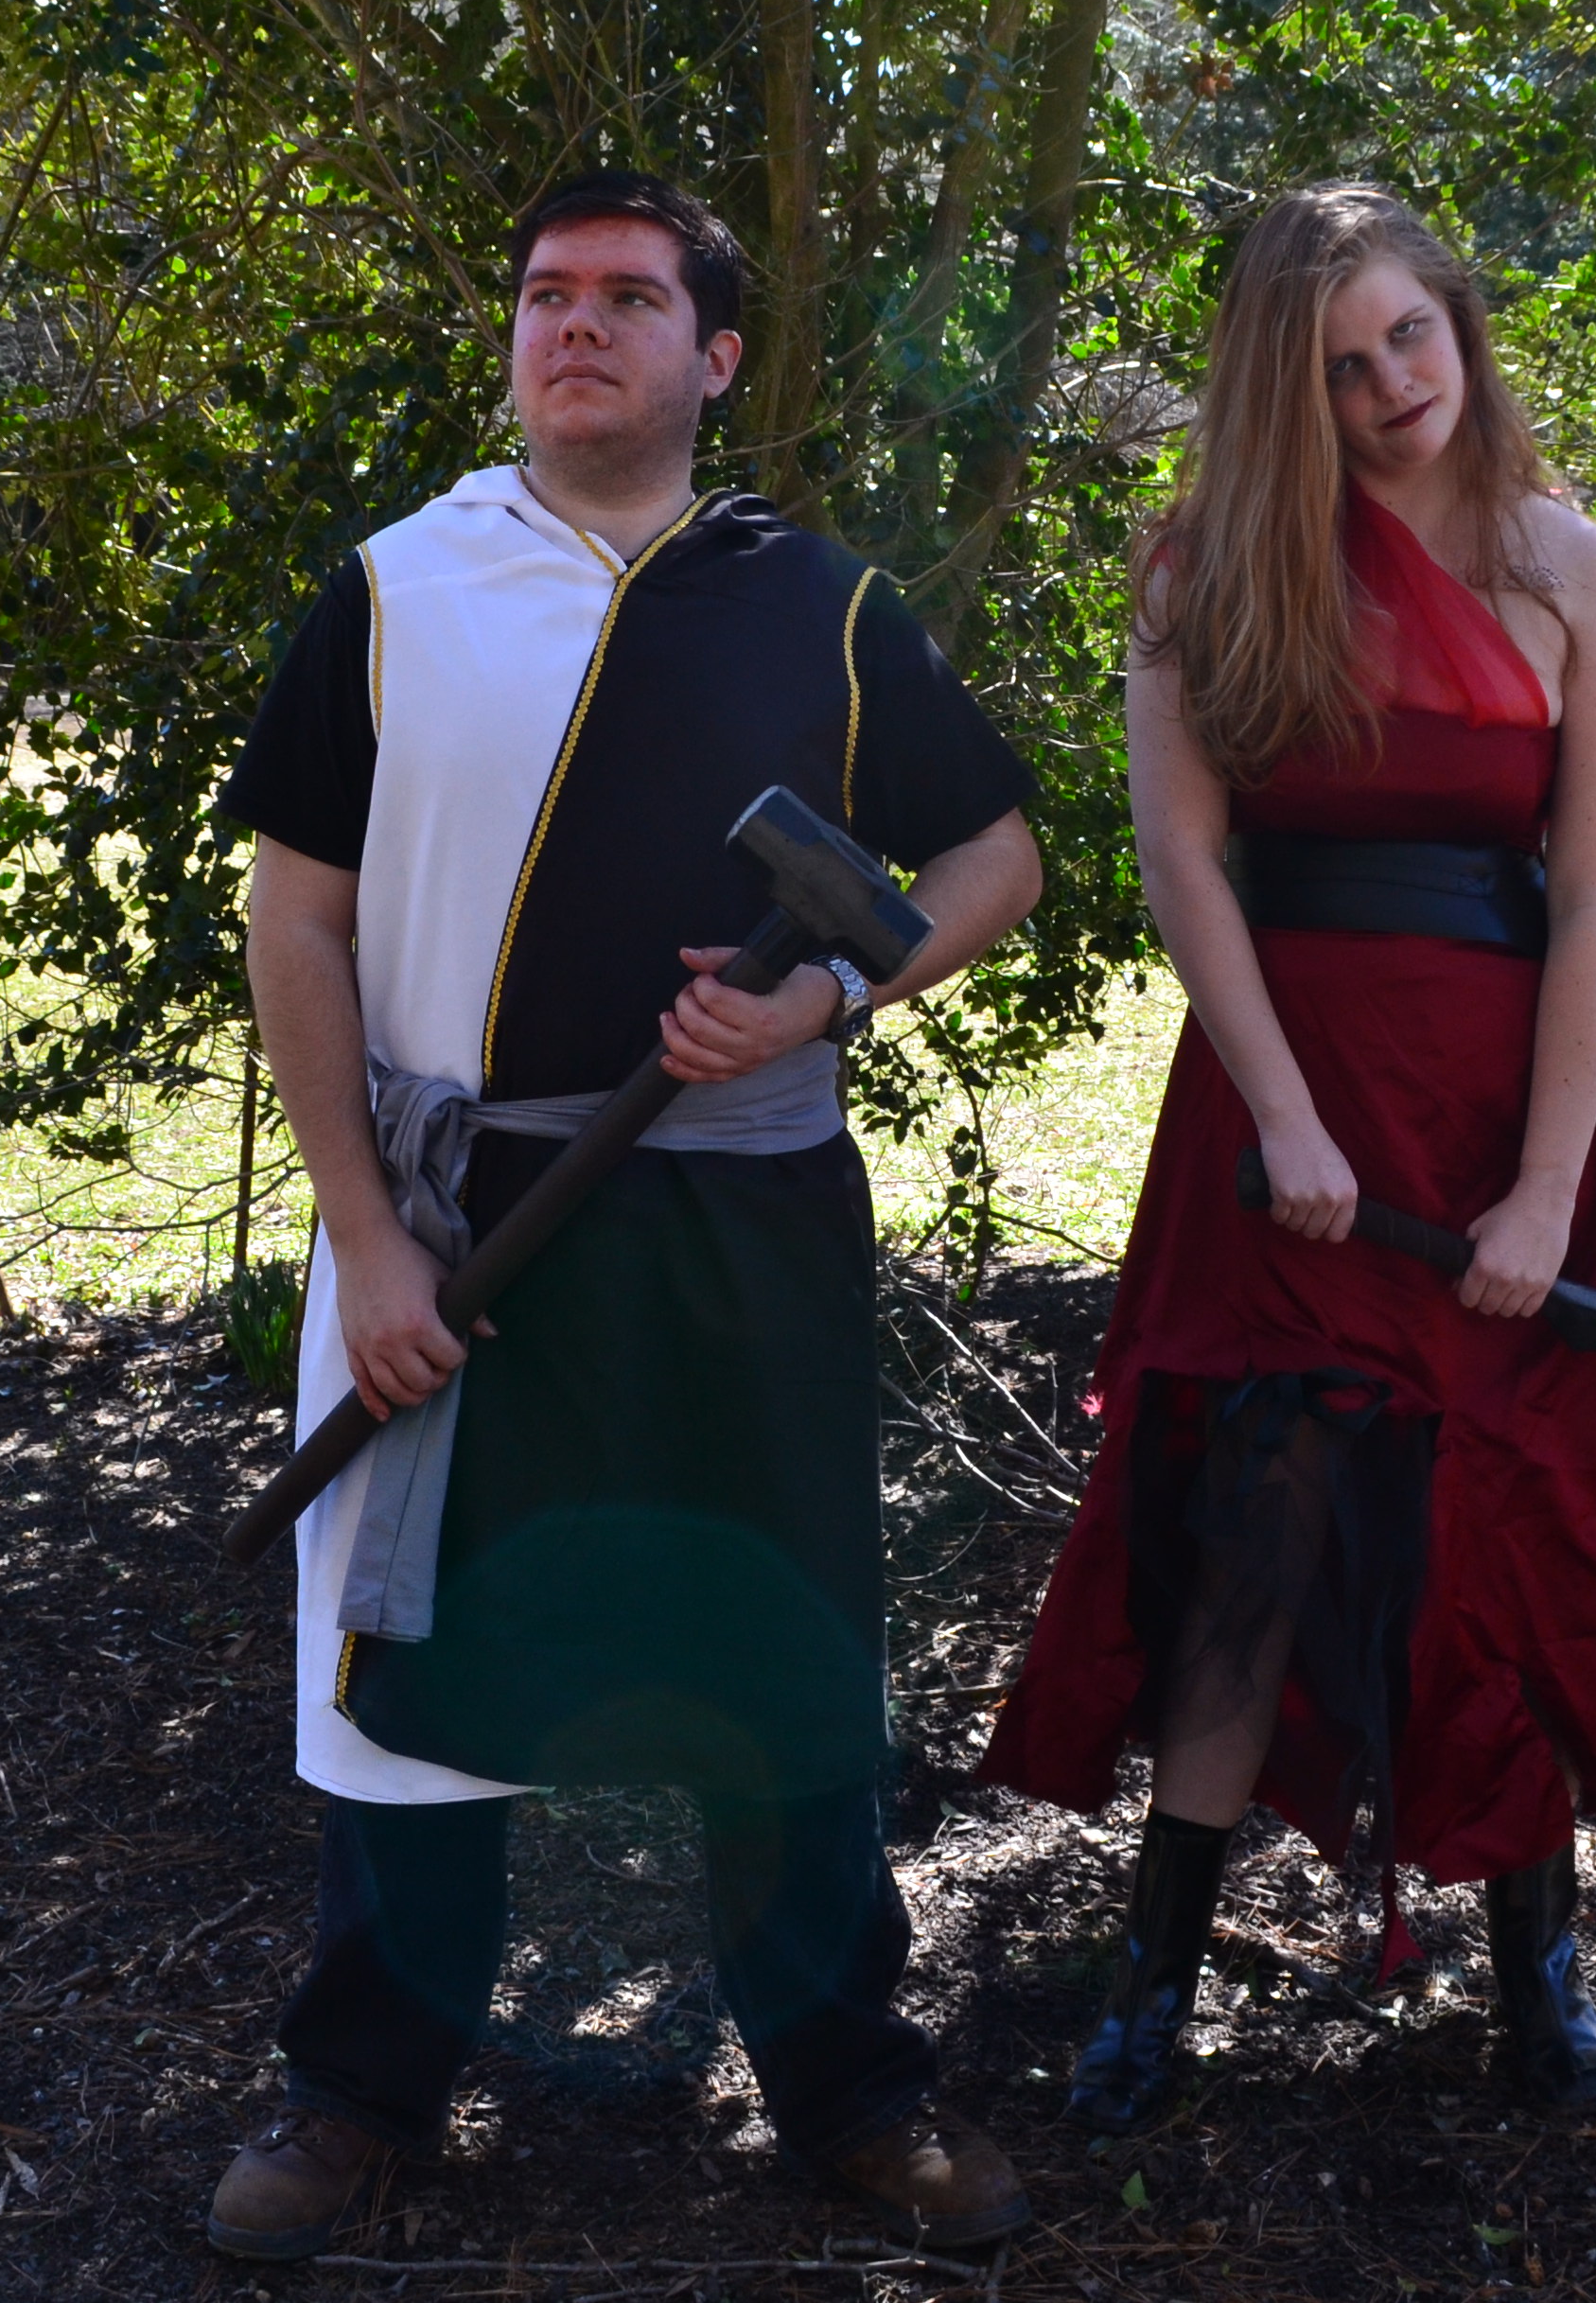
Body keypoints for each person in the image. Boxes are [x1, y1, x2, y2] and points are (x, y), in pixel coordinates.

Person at [208, 170, 1048, 2259]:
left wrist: (828, 998)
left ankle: (853, 2091)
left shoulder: (820, 606)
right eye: (545, 293)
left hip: (744, 1231)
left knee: (779, 1656)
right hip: (459, 1228)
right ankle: (361, 2095)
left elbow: (997, 859)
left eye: (630, 297)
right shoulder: (395, 591)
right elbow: (296, 924)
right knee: (416, 1672)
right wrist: (366, 1239)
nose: (574, 324)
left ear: (718, 355)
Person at [974, 183, 1596, 2130]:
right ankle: (1151, 1984)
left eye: (1407, 336)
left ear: (1459, 318)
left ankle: (1543, 1980)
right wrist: (1283, 1113)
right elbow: (1186, 860)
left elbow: (1593, 900)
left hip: (1510, 1108)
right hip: (1282, 1110)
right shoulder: (1208, 570)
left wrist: (1543, 1191)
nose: (1387, 387)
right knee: (1253, 1519)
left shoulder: (1582, 581)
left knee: (1503, 1517)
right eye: (1340, 367)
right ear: (1289, 391)